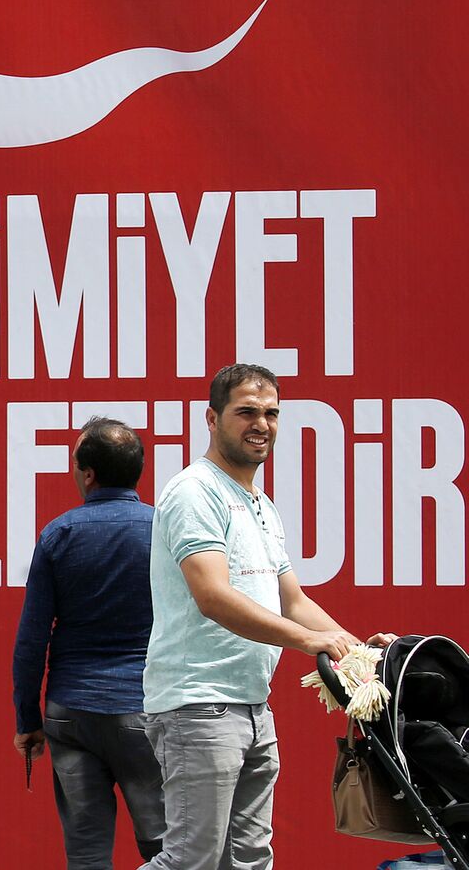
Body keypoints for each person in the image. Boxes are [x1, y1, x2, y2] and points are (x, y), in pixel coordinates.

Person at [140, 364, 392, 870]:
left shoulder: (258, 502)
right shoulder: (195, 492)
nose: (261, 424)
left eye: (271, 413)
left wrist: (359, 651)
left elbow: (292, 600)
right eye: (246, 412)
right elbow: (213, 596)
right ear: (212, 419)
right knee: (190, 861)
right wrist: (309, 641)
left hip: (253, 706)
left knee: (250, 859)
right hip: (199, 704)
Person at [11, 417, 165, 869]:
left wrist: (27, 720)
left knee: (86, 855)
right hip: (145, 709)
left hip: (71, 714)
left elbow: (31, 640)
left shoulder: (59, 534)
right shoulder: (164, 530)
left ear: (89, 474)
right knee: (166, 848)